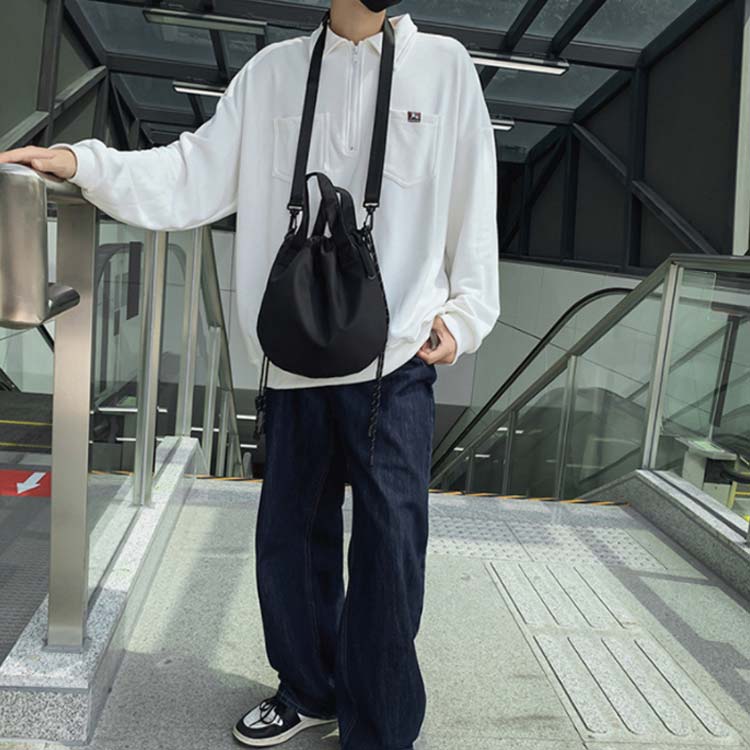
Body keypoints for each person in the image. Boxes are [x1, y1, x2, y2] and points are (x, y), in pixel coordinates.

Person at [0, 0, 499, 746]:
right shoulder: (273, 73)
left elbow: (474, 195)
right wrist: (85, 164)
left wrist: (464, 317)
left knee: (392, 547)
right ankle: (308, 689)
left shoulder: (443, 67)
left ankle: (381, 725)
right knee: (290, 539)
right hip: (293, 355)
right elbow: (193, 172)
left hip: (395, 359)